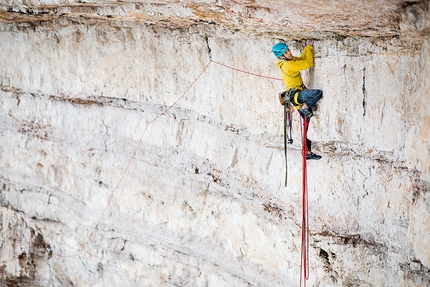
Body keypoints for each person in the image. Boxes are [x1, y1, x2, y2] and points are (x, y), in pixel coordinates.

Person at [272, 40, 322, 160]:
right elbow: (308, 63)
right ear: (281, 56)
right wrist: (309, 47)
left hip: (294, 96)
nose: (289, 53)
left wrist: (306, 49)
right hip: (296, 95)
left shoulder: (288, 62)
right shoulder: (289, 65)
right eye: (286, 52)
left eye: (288, 50)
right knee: (317, 93)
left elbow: (302, 60)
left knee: (307, 124)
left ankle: (307, 152)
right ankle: (306, 107)